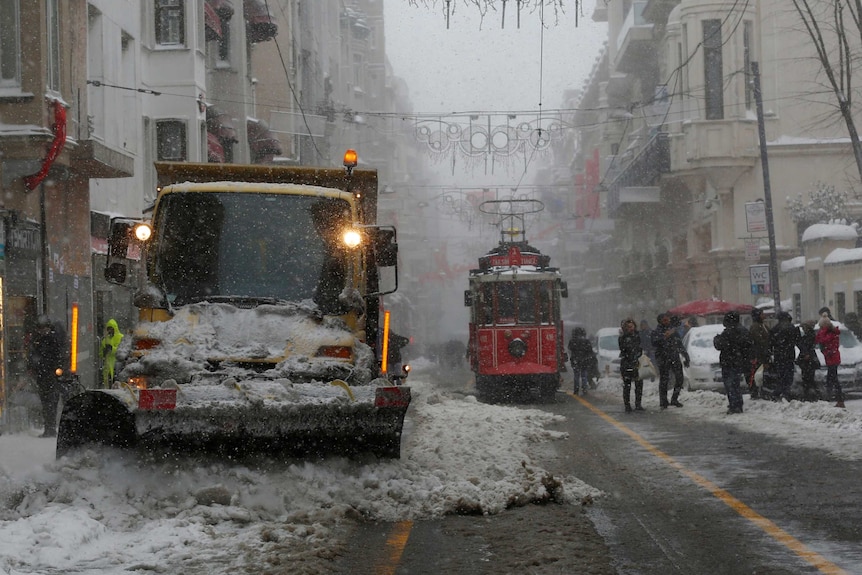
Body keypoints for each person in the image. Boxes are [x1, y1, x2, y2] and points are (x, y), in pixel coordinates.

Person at [27, 315, 66, 437]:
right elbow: (32, 356)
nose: (43, 330)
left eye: (45, 327)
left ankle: (50, 428)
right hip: (43, 376)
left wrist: (56, 371)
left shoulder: (52, 340)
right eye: (41, 328)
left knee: (51, 403)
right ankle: (48, 428)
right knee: (46, 403)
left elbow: (58, 357)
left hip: (49, 376)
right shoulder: (38, 340)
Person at [713, 310, 754, 414]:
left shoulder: (728, 332)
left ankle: (734, 405)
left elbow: (720, 345)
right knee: (735, 384)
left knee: (730, 385)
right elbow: (748, 346)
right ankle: (738, 404)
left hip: (728, 362)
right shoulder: (743, 331)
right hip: (738, 361)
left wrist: (717, 339)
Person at [651, 313, 689, 409]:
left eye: (667, 320)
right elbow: (654, 342)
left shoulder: (673, 331)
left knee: (679, 378)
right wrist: (664, 336)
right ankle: (663, 401)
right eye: (664, 320)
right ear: (660, 321)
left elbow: (679, 344)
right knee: (664, 379)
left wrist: (686, 356)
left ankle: (674, 398)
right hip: (663, 357)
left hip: (674, 356)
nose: (667, 322)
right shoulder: (657, 331)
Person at [815, 316, 844, 408]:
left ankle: (834, 399)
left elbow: (824, 340)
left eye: (821, 326)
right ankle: (837, 399)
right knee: (832, 379)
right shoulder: (829, 332)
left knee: (832, 380)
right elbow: (818, 340)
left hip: (833, 358)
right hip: (831, 358)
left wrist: (821, 333)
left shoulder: (831, 333)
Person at [769, 311, 799, 402]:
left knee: (781, 376)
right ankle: (785, 393)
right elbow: (797, 340)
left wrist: (771, 352)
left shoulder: (775, 329)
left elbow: (771, 342)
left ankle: (778, 393)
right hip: (789, 356)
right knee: (788, 376)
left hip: (779, 356)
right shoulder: (791, 328)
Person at [618, 318, 644, 413]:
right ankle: (627, 405)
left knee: (639, 384)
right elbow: (624, 349)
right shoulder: (623, 337)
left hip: (636, 363)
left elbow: (639, 348)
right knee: (627, 385)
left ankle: (638, 403)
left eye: (632, 326)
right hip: (627, 363)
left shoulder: (637, 336)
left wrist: (638, 354)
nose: (631, 328)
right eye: (628, 327)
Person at [796, 320, 821, 402]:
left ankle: (810, 395)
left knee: (807, 377)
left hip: (808, 359)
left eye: (804, 327)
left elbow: (803, 344)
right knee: (809, 377)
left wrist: (806, 353)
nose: (803, 329)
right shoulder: (811, 335)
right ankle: (812, 394)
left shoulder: (809, 336)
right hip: (809, 359)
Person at [748, 308, 771, 400]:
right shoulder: (755, 327)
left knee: (763, 374)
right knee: (758, 374)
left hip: (764, 354)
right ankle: (756, 393)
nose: (764, 316)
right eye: (762, 314)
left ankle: (761, 391)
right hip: (759, 355)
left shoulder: (763, 325)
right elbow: (759, 341)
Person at [567, 327, 596, 395]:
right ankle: (584, 389)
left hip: (575, 360)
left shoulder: (572, 341)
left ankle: (576, 389)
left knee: (576, 375)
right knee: (584, 375)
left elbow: (570, 348)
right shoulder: (586, 341)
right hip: (584, 361)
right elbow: (590, 351)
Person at [99, 318, 124, 388]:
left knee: (116, 384)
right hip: (107, 367)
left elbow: (122, 351)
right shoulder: (105, 340)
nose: (110, 331)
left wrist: (112, 349)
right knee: (108, 386)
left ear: (114, 328)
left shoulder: (121, 337)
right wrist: (103, 352)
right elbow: (100, 353)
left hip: (117, 365)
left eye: (111, 328)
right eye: (108, 329)